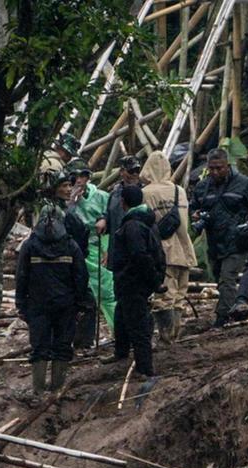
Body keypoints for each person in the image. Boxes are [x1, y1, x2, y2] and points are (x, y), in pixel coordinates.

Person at [13, 178, 87, 398]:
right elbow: (80, 276)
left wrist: (21, 303)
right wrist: (82, 302)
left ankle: (38, 390)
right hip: (66, 304)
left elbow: (21, 276)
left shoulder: (30, 245)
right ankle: (57, 389)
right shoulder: (70, 245)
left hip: (37, 304)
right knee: (63, 346)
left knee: (39, 346)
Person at [190, 147, 248, 328]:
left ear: (227, 165)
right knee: (219, 279)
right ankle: (235, 309)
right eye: (211, 168)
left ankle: (222, 319)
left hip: (237, 242)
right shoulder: (202, 187)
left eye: (219, 168)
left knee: (227, 279)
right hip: (214, 242)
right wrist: (196, 215)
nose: (215, 172)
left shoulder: (244, 184)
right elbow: (193, 207)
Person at [108, 184, 165, 389]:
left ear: (123, 203)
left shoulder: (132, 226)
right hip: (133, 282)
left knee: (138, 324)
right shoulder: (146, 222)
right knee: (122, 315)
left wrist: (153, 280)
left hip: (132, 281)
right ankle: (121, 353)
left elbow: (140, 255)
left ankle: (145, 369)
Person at [137, 150, 196, 341]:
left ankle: (166, 335)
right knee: (180, 293)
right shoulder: (179, 191)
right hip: (184, 247)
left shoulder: (145, 193)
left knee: (164, 295)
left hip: (162, 250)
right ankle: (176, 332)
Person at [66, 160, 114, 350]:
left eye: (83, 176)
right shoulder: (64, 200)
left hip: (98, 246)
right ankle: (79, 339)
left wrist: (104, 220)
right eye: (75, 177)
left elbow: (112, 217)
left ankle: (117, 331)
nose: (79, 181)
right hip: (75, 251)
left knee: (107, 291)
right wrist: (70, 202)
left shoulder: (101, 196)